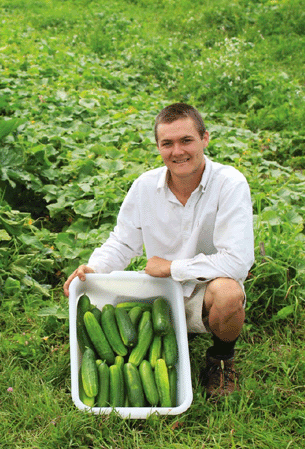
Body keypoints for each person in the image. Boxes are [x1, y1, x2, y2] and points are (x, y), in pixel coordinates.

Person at [63, 102, 254, 401]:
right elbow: (123, 242)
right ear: (158, 147)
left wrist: (173, 267)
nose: (177, 151)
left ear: (205, 138)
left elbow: (238, 262)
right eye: (167, 143)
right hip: (156, 292)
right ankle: (172, 335)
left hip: (205, 290)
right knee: (116, 322)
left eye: (186, 140)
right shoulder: (144, 187)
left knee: (229, 295)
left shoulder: (230, 184)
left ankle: (220, 359)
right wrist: (94, 268)